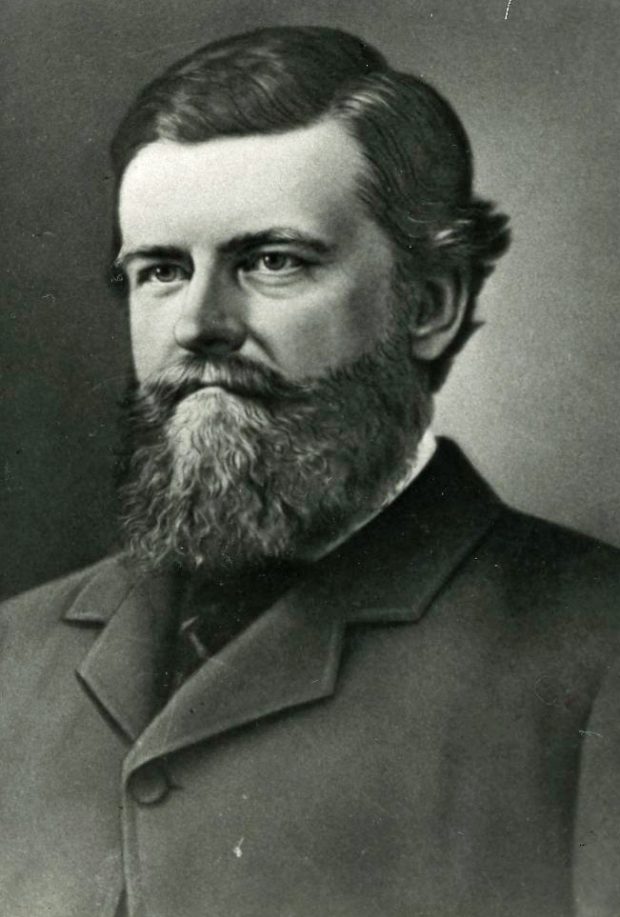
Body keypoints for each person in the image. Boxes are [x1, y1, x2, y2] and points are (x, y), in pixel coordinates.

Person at [0, 25, 618, 917]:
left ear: (431, 304)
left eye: (271, 261)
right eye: (161, 270)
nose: (197, 323)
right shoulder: (13, 655)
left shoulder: (598, 655)